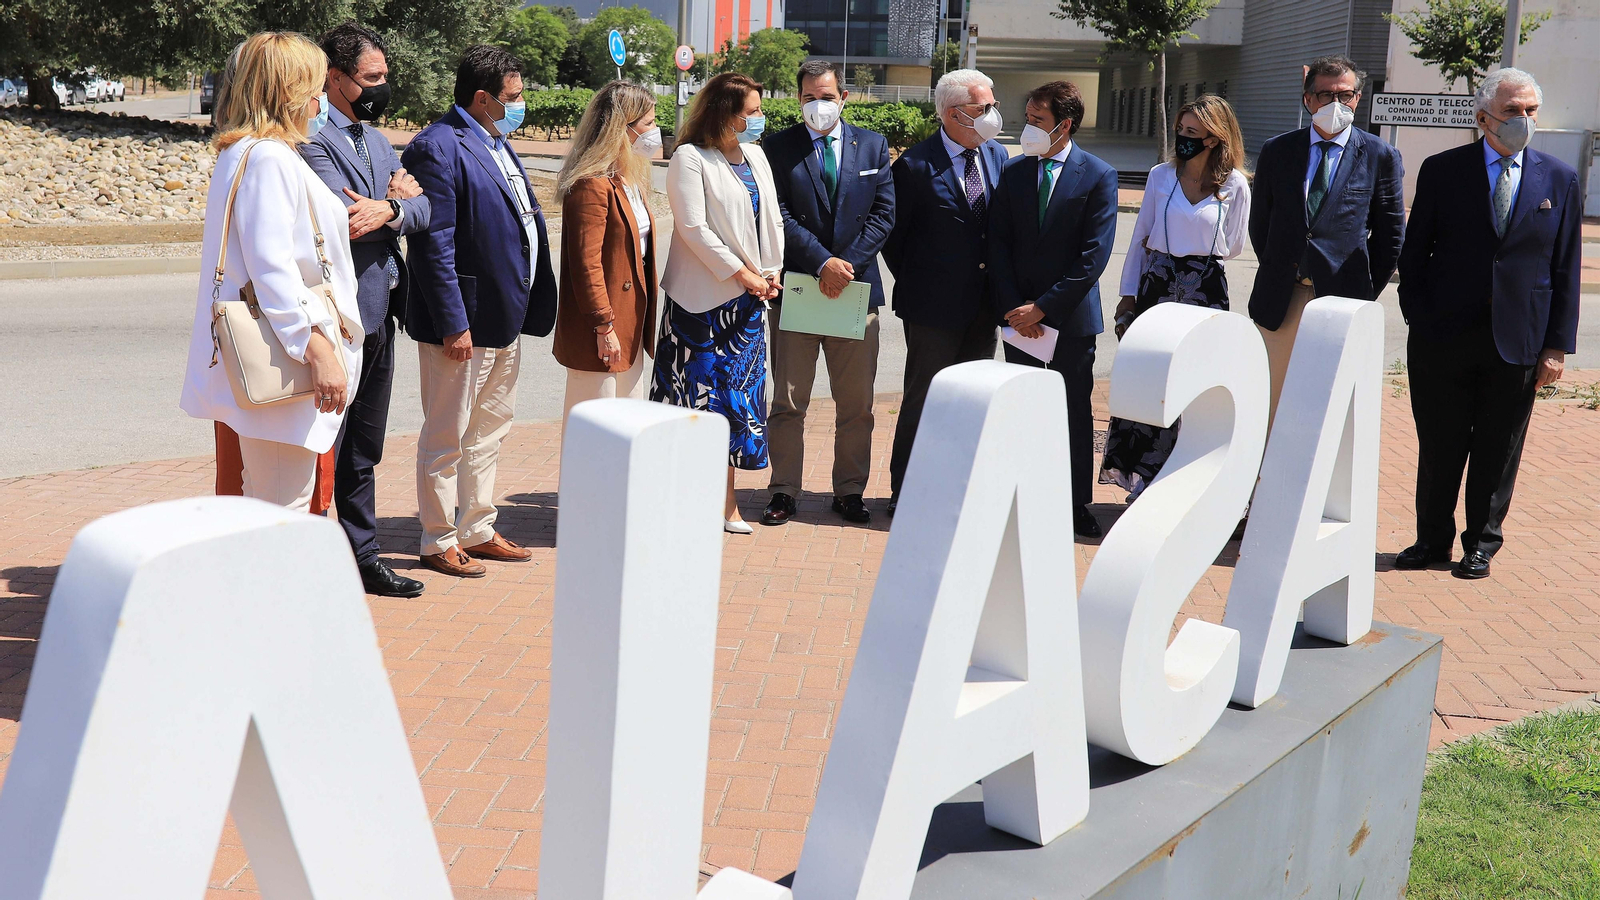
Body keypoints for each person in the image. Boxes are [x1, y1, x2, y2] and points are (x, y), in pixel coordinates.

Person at [1395, 67, 1580, 580]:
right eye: (1512, 110)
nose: (1524, 119)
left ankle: (1481, 544)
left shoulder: (1558, 178)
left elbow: (1565, 266)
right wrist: (1419, 317)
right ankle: (1431, 539)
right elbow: (1415, 253)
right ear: (1483, 118)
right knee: (1440, 444)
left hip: (1519, 340)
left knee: (1498, 449)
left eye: (1530, 110)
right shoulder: (1442, 170)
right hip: (1442, 337)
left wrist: (1556, 346)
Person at [179, 31, 364, 511]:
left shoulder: (245, 151)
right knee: (284, 508)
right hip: (287, 358)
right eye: (316, 88)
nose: (322, 100)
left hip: (279, 350)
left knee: (274, 501)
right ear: (290, 92)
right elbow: (273, 270)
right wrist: (318, 349)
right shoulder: (268, 157)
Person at [402, 45, 557, 578]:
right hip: (463, 324)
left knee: (489, 430)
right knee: (447, 434)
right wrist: (454, 324)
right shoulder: (437, 146)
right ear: (483, 98)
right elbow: (433, 245)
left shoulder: (496, 140)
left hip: (503, 317)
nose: (520, 105)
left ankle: (477, 527)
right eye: (513, 97)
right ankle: (437, 537)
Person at [300, 23, 430, 598]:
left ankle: (363, 556)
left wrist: (393, 209)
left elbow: (425, 209)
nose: (381, 86)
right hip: (339, 318)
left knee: (363, 445)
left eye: (384, 75)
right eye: (371, 77)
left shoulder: (376, 140)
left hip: (382, 312)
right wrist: (395, 202)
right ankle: (308, 555)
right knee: (324, 442)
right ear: (335, 78)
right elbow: (341, 221)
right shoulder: (313, 140)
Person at [760, 59, 895, 527]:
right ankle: (783, 490)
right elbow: (777, 214)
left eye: (827, 96)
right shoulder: (777, 147)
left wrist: (844, 267)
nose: (819, 105)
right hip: (799, 288)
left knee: (856, 405)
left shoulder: (873, 145)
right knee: (787, 402)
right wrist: (822, 263)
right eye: (810, 97)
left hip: (855, 292)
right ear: (798, 99)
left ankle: (850, 491)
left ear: (844, 97)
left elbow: (884, 214)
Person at [1101, 95, 1251, 502]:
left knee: (1197, 387)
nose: (1183, 138)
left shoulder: (1235, 185)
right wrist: (1127, 297)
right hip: (1157, 286)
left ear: (1214, 138)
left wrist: (1197, 251)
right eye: (1181, 130)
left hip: (1205, 291)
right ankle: (1144, 479)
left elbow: (1234, 245)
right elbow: (1140, 237)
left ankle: (1187, 478)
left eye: (1193, 132)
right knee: (1151, 380)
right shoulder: (1160, 176)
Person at [652, 72, 784, 534]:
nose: (760, 118)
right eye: (752, 112)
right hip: (701, 305)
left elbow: (771, 219)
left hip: (748, 304)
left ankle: (726, 504)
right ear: (725, 114)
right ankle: (680, 501)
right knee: (695, 403)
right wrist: (743, 274)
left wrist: (771, 271)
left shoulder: (756, 155)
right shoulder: (690, 157)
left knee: (736, 403)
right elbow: (693, 228)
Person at [988, 80, 1118, 539]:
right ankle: (1024, 497)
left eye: (1037, 120)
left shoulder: (1098, 174)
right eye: (1027, 118)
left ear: (1064, 125)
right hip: (1018, 320)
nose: (1028, 127)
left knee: (1072, 410)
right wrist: (1015, 307)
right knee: (1023, 409)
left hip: (1070, 318)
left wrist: (1043, 308)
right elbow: (998, 243)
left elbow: (1094, 257)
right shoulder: (1014, 171)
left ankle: (1076, 502)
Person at [1248, 55, 1404, 426]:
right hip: (1282, 298)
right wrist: (1282, 267)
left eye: (1345, 95)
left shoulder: (1380, 155)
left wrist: (1361, 292)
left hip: (1342, 300)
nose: (1336, 103)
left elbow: (1390, 236)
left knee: (1331, 411)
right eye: (1325, 95)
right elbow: (1260, 224)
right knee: (1271, 406)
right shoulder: (1277, 151)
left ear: (1358, 98)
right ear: (1308, 100)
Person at [881, 68, 1008, 518]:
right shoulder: (914, 166)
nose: (993, 113)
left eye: (993, 105)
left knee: (970, 401)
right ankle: (907, 491)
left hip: (984, 308)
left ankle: (957, 489)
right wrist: (927, 284)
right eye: (984, 107)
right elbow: (895, 241)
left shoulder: (996, 155)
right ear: (955, 114)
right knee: (924, 399)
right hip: (932, 309)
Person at [552, 81, 660, 417]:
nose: (655, 131)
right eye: (649, 123)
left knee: (627, 424)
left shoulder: (629, 178)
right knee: (595, 427)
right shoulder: (591, 185)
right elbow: (587, 264)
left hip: (630, 323)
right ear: (622, 129)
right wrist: (603, 326)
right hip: (601, 329)